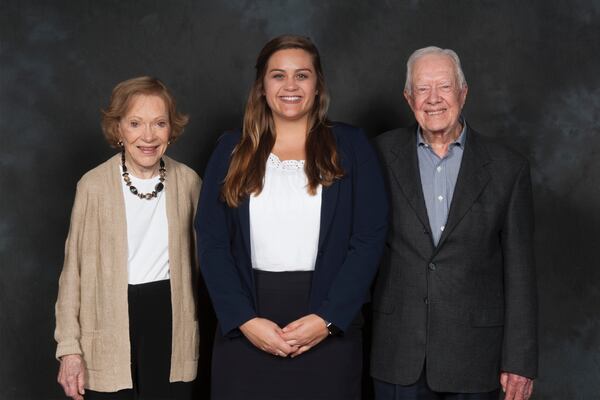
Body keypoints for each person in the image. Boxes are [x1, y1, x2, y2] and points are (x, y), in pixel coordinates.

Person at [196, 34, 388, 400]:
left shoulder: (351, 145)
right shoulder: (230, 149)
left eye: (302, 75)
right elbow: (212, 240)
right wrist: (244, 320)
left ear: (317, 86)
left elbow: (369, 238)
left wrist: (327, 320)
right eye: (278, 75)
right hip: (246, 324)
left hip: (327, 325)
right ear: (261, 86)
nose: (290, 86)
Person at [370, 46, 538, 400]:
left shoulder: (508, 168)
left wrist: (520, 360)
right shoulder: (376, 156)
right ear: (407, 97)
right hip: (397, 354)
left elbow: (520, 273)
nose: (433, 99)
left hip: (476, 358)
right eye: (422, 88)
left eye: (444, 87)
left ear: (463, 93)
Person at [54, 76, 201, 400]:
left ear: (170, 129)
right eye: (135, 123)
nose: (148, 136)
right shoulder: (92, 185)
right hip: (108, 324)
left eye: (159, 123)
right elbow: (72, 275)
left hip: (170, 320)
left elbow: (209, 262)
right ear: (118, 129)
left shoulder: (188, 182)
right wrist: (69, 348)